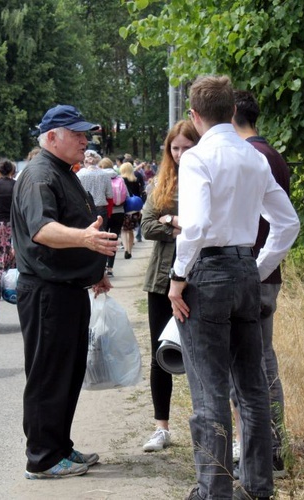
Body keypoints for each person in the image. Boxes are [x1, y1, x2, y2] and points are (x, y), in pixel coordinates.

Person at [168, 75, 299, 500]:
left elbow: (197, 225)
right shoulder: (255, 158)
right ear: (232, 111)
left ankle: (214, 492)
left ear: (195, 115)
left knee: (210, 391)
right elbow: (288, 223)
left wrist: (177, 276)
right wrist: (257, 268)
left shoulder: (197, 158)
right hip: (245, 270)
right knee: (252, 388)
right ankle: (258, 488)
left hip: (206, 274)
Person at [11, 104, 119, 479]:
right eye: (77, 134)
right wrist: (87, 240)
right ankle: (41, 457)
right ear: (52, 137)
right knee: (48, 374)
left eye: (85, 134)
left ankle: (58, 447)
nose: (85, 140)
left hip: (67, 288)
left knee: (67, 373)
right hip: (46, 292)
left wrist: (93, 271)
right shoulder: (40, 174)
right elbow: (43, 230)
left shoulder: (60, 171)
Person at [229, 90, 292, 479]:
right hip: (260, 274)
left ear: (233, 113)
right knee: (259, 364)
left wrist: (256, 268)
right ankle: (269, 450)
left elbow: (281, 222)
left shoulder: (254, 156)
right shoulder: (269, 153)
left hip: (254, 276)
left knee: (255, 367)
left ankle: (267, 454)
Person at [139, 120, 200, 452]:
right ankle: (161, 427)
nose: (180, 154)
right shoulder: (163, 182)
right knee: (159, 355)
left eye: (186, 148)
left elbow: (207, 225)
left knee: (199, 356)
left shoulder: (209, 178)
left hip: (198, 280)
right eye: (174, 148)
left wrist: (174, 222)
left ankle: (207, 426)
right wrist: (174, 224)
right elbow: (147, 224)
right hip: (162, 279)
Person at [99, 157, 124, 277]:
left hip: (105, 211)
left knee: (103, 239)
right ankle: (110, 267)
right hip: (119, 212)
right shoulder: (119, 178)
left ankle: (102, 265)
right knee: (113, 240)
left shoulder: (100, 178)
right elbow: (127, 195)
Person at [76, 149, 112, 231]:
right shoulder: (105, 175)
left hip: (85, 209)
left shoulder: (79, 175)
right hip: (101, 209)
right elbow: (109, 195)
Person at [119, 162, 142, 259]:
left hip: (126, 208)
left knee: (124, 230)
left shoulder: (121, 180)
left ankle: (126, 250)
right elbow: (139, 194)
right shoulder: (135, 180)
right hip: (135, 208)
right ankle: (130, 250)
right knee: (131, 230)